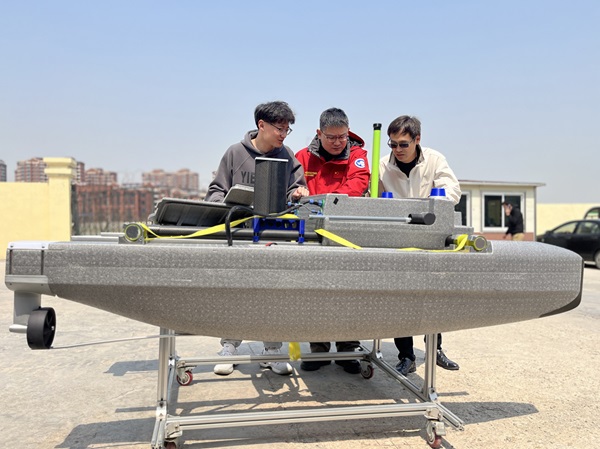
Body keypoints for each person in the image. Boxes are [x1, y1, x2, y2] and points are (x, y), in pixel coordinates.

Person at [205, 100, 309, 376]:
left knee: (274, 294)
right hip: (239, 236)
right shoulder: (235, 153)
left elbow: (297, 189)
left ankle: (272, 350)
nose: (283, 134)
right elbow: (215, 191)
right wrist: (228, 204)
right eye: (279, 128)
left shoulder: (287, 156)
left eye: (287, 130)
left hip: (275, 237)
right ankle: (229, 347)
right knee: (237, 292)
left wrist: (298, 193)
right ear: (261, 125)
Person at [378, 115, 460, 376]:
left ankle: (435, 349)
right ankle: (406, 356)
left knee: (433, 296)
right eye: (392, 144)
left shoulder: (434, 159)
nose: (397, 150)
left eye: (403, 144)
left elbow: (452, 190)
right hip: (397, 240)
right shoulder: (382, 166)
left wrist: (430, 206)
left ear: (417, 139)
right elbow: (373, 199)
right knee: (399, 299)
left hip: (428, 237)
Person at [295, 107, 370, 374]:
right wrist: (298, 193)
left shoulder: (358, 156)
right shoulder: (302, 158)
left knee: (348, 293)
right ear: (319, 133)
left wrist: (321, 201)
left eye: (342, 137)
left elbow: (357, 185)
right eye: (331, 137)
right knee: (314, 293)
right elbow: (293, 188)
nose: (338, 142)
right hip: (311, 235)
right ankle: (318, 349)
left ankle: (348, 348)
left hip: (346, 234)